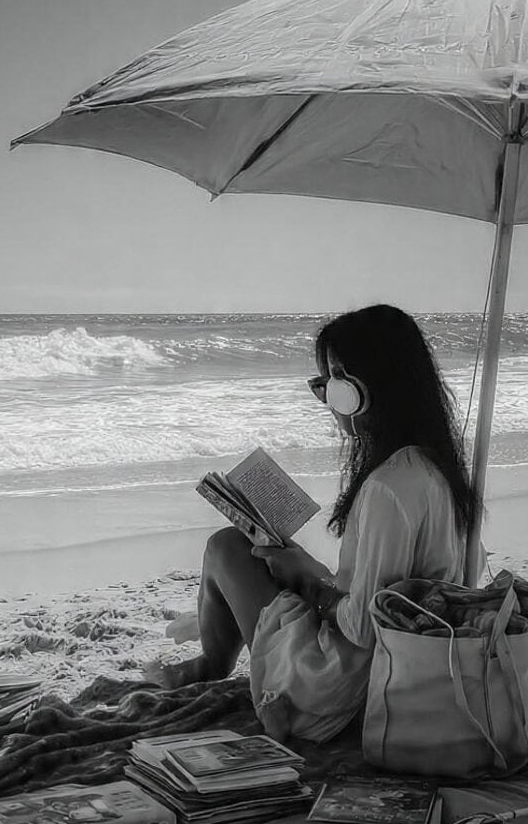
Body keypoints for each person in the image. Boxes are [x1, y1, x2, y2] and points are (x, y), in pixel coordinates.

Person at [145, 304, 482, 743]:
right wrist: (307, 570)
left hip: (340, 688)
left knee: (226, 546)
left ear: (365, 386)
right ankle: (211, 661)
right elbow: (388, 597)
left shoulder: (387, 488)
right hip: (401, 674)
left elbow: (364, 626)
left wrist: (313, 583)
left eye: (333, 379)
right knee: (254, 550)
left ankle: (212, 663)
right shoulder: (433, 469)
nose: (326, 396)